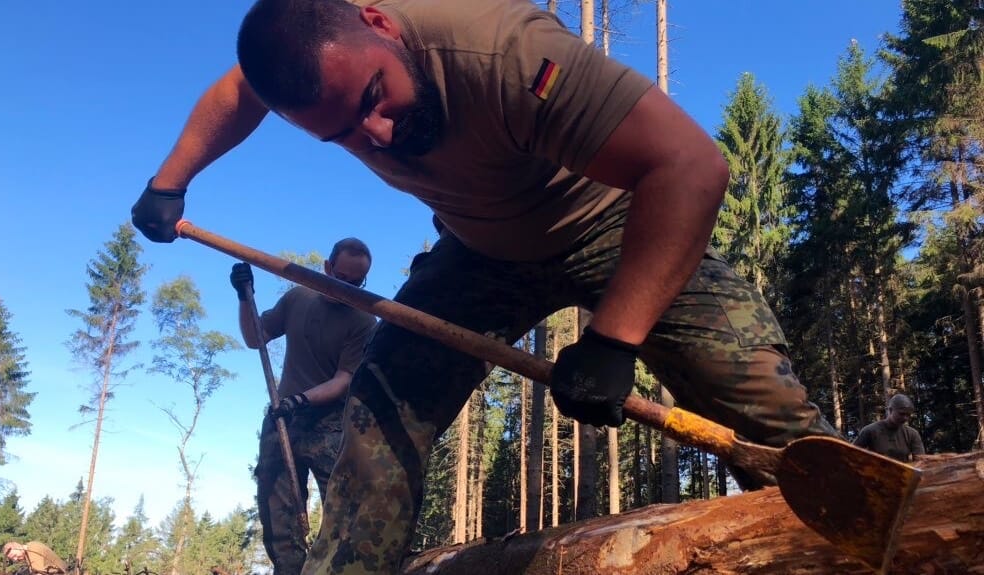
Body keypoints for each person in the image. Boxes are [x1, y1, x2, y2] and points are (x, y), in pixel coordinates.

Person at [131, 0, 839, 572]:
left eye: (377, 98)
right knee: (377, 407)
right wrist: (171, 180)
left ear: (379, 22)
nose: (377, 133)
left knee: (765, 408)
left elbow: (691, 166)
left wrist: (614, 337)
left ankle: (880, 533)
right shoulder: (316, 65)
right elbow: (241, 88)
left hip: (616, 223)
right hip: (479, 251)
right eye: (343, 134)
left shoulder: (505, 49)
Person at [229, 238, 377, 574]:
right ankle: (290, 568)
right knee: (277, 507)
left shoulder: (364, 322)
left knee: (341, 511)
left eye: (356, 283)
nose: (347, 289)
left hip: (330, 424)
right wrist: (244, 297)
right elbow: (256, 337)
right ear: (327, 267)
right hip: (282, 422)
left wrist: (299, 400)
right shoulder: (298, 298)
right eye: (341, 278)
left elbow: (343, 380)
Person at [854, 393, 926, 463]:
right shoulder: (870, 431)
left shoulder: (912, 434)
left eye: (908, 415)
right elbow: (852, 454)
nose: (905, 418)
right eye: (901, 414)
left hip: (902, 473)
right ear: (890, 410)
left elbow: (920, 462)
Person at [2, 541, 67, 575]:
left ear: (17, 547)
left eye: (14, 555)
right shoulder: (28, 552)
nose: (15, 559)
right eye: (12, 559)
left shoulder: (33, 549)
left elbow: (40, 573)